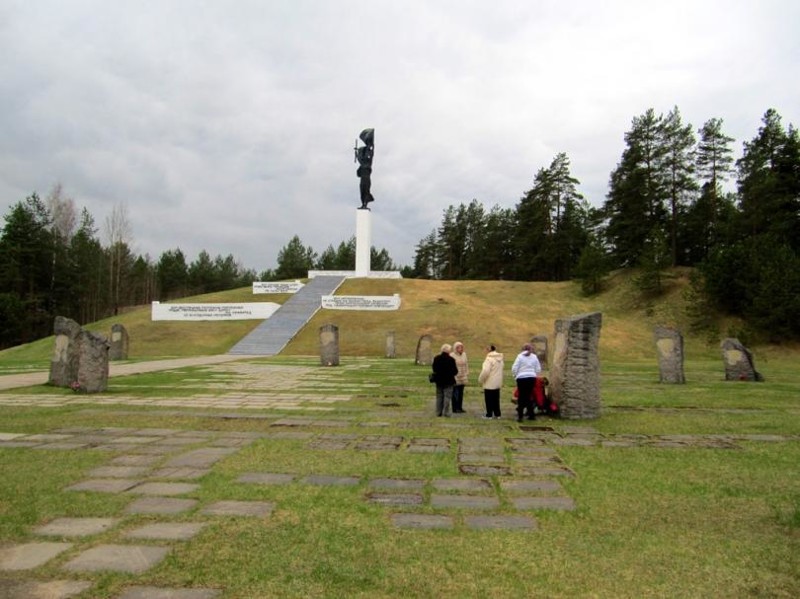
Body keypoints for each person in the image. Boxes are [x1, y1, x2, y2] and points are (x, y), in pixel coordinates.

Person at [511, 343, 541, 422]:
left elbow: (514, 368)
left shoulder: (520, 357)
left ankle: (520, 416)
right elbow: (538, 368)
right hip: (531, 377)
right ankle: (531, 415)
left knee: (521, 396)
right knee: (528, 395)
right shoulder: (534, 357)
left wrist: (515, 376)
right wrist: (534, 374)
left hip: (521, 378)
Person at [477, 344, 504, 419]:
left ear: (489, 350)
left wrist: (480, 379)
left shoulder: (489, 359)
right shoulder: (500, 359)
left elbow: (485, 371)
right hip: (497, 382)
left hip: (489, 382)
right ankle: (497, 414)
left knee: (489, 399)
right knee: (496, 399)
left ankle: (489, 414)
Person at [431, 343, 458, 417]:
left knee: (439, 396)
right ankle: (446, 412)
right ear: (448, 351)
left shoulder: (436, 358)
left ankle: (438, 412)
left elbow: (434, 369)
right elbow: (455, 371)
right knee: (447, 397)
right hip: (449, 381)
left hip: (439, 381)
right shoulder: (451, 360)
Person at [355, 128, 375, 209]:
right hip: (363, 178)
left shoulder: (368, 160)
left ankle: (365, 204)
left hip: (366, 178)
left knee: (366, 191)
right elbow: (358, 174)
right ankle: (363, 204)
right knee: (362, 191)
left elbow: (370, 149)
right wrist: (357, 153)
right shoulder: (362, 165)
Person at [451, 341, 469, 413]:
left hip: (463, 376)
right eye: (459, 347)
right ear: (455, 348)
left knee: (461, 393)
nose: (461, 349)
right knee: (455, 392)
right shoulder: (452, 355)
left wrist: (467, 372)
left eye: (462, 347)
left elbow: (466, 364)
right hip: (455, 376)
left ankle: (460, 407)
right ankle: (455, 408)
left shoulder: (464, 354)